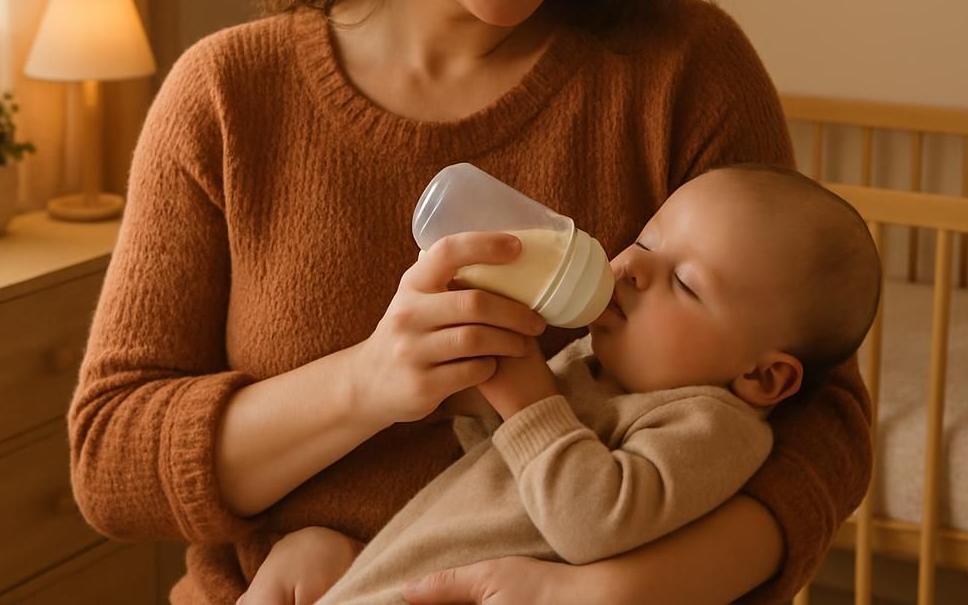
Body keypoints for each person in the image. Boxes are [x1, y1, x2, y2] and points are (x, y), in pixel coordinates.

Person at [68, 0, 872, 605]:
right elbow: (111, 458)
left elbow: (822, 416)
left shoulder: (680, 70)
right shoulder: (229, 97)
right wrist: (368, 382)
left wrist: (617, 591)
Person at [238, 165, 882, 605]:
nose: (628, 268)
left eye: (684, 283)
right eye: (646, 240)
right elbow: (494, 458)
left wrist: (525, 394)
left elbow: (595, 522)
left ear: (764, 377)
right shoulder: (601, 370)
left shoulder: (712, 424)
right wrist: (459, 363)